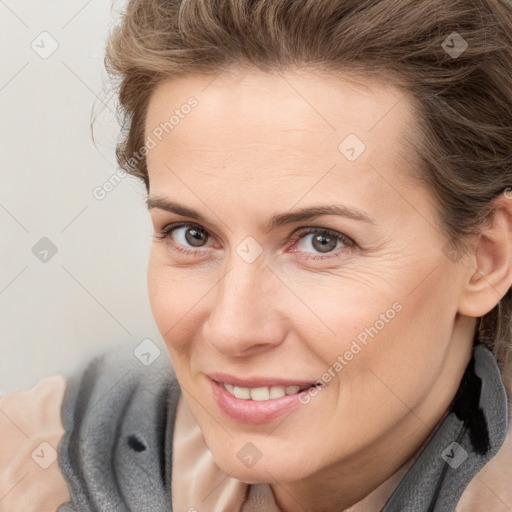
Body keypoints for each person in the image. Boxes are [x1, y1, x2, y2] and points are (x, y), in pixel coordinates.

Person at [1, 0, 512, 510]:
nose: (232, 329)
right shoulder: (36, 461)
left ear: (486, 258)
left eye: (321, 241)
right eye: (192, 235)